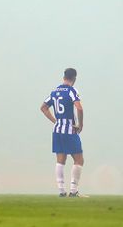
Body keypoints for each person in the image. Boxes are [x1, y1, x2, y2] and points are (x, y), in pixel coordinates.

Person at [40, 68, 85, 197]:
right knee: (79, 159)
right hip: (69, 129)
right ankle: (73, 190)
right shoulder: (72, 90)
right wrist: (80, 125)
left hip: (57, 129)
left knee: (60, 160)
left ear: (63, 77)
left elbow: (43, 107)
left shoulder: (55, 91)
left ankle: (61, 190)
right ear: (74, 79)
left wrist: (55, 121)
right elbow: (79, 108)